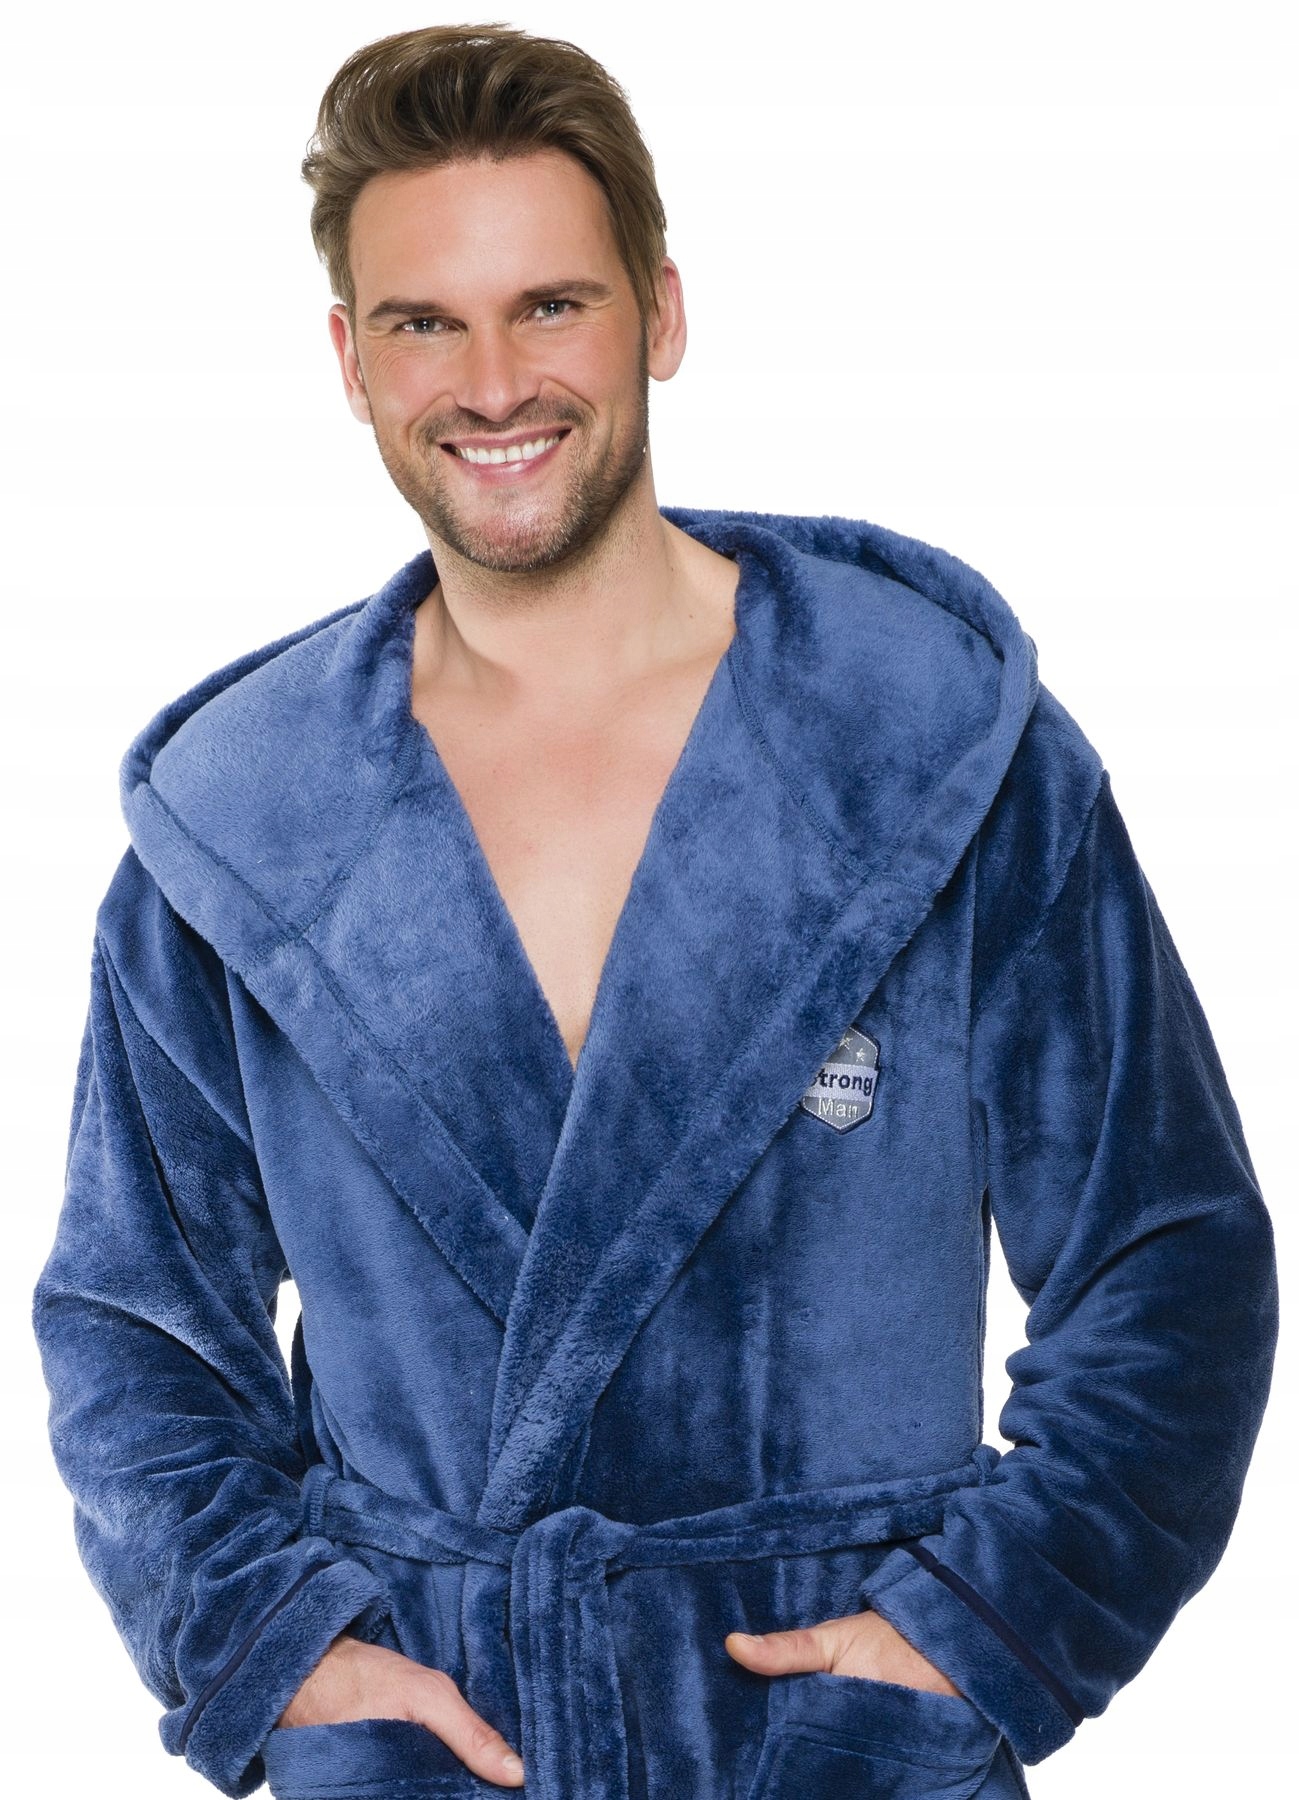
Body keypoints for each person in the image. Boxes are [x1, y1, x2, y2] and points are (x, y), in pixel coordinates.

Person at [31, 22, 1278, 1800]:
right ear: (350, 361)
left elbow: (1172, 1263)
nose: (492, 384)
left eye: (550, 306)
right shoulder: (238, 834)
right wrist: (273, 1652)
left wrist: (980, 1633)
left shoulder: (930, 752)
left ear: (660, 316)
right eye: (424, 323)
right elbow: (135, 1330)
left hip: (833, 1750)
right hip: (442, 1747)